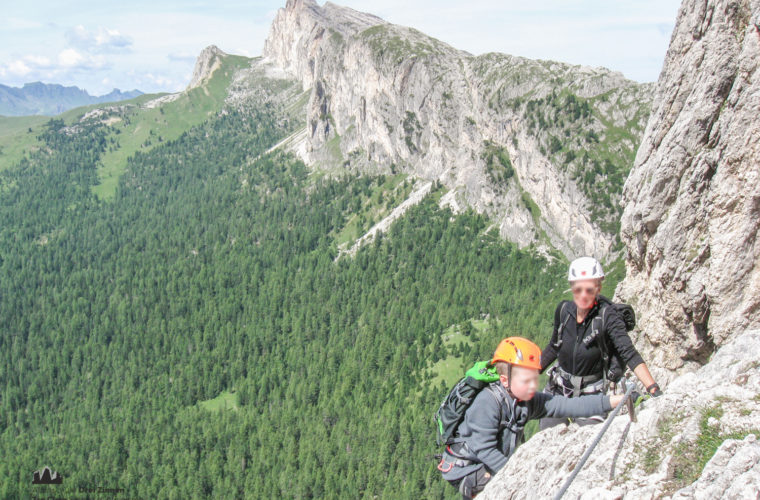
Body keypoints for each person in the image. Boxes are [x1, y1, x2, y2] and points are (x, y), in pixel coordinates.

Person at [439, 337, 626, 499]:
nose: (532, 386)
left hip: (489, 462)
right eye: (525, 380)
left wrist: (615, 401)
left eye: (535, 379)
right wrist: (518, 476)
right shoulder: (487, 402)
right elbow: (484, 450)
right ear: (504, 380)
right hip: (467, 468)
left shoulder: (526, 400)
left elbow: (568, 405)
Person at [539, 257, 662, 430]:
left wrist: (653, 388)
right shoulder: (563, 311)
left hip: (592, 396)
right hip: (558, 390)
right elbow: (554, 347)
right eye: (578, 289)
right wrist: (526, 374)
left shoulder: (607, 316)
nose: (583, 295)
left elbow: (629, 353)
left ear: (598, 288)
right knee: (546, 442)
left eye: (589, 289)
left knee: (583, 446)